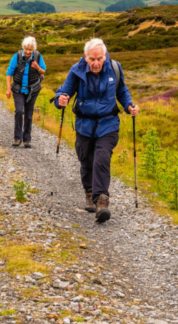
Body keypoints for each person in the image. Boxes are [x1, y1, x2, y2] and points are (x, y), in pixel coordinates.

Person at [53, 38, 139, 223]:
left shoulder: (114, 68)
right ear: (85, 57)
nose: (96, 63)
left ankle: (102, 201)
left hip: (108, 123)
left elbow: (122, 91)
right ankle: (89, 191)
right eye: (92, 59)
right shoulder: (77, 71)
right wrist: (60, 99)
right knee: (86, 158)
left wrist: (129, 106)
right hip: (84, 125)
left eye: (99, 58)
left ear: (105, 56)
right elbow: (63, 91)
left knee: (102, 158)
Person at [5, 36, 46, 148]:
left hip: (33, 90)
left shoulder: (38, 56)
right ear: (23, 48)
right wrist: (8, 89)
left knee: (29, 114)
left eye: (30, 50)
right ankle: (17, 138)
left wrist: (37, 67)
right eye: (26, 49)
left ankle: (27, 139)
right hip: (18, 89)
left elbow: (43, 71)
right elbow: (9, 73)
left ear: (33, 49)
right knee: (19, 111)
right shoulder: (17, 56)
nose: (28, 52)